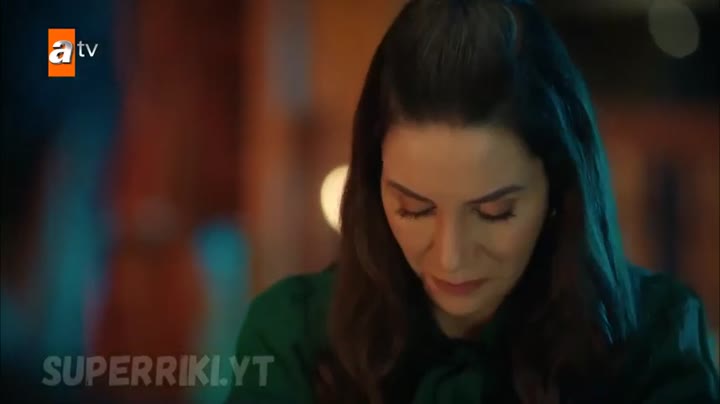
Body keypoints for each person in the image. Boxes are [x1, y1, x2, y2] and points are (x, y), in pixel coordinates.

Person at [225, 0, 719, 403]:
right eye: (414, 209)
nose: (451, 258)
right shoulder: (293, 337)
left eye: (494, 213)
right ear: (374, 187)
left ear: (558, 192)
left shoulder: (656, 340)